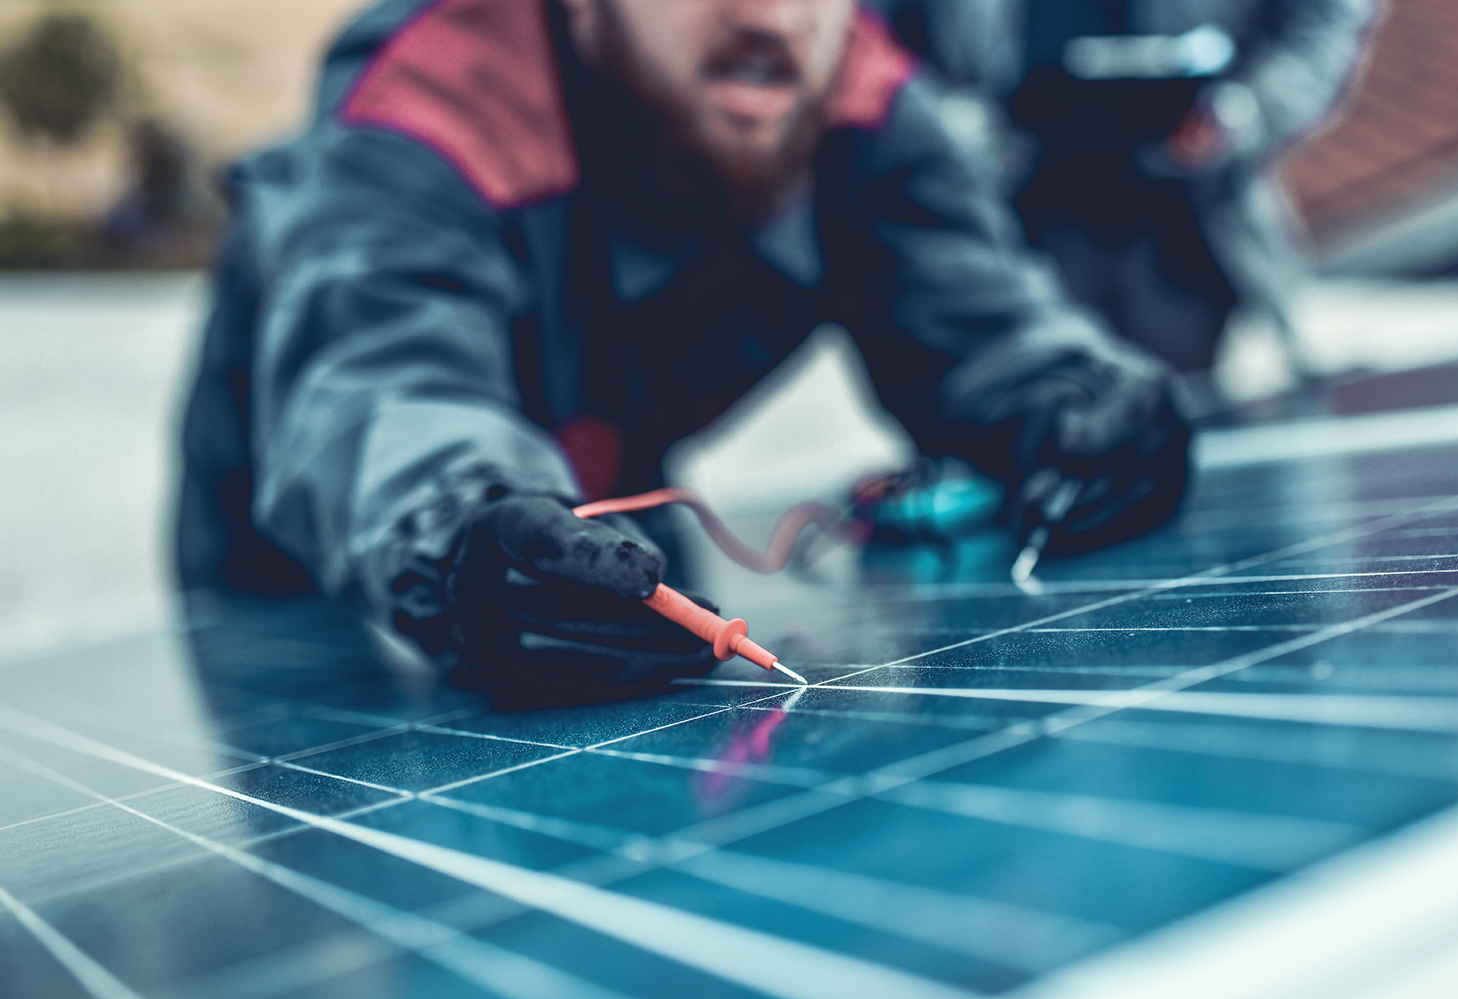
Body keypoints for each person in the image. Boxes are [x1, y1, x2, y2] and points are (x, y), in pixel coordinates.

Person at [177, 0, 1192, 709]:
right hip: (321, 570)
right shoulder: (425, 108)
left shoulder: (862, 97)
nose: (772, 14)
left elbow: (983, 323)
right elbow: (380, 388)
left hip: (594, 498)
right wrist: (455, 542)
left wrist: (1074, 405)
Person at [873, 0, 1377, 402]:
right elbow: (871, 41)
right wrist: (946, 128)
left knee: (1177, 412)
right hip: (1015, 216)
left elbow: (1326, 16)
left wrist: (1249, 109)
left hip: (1186, 225)